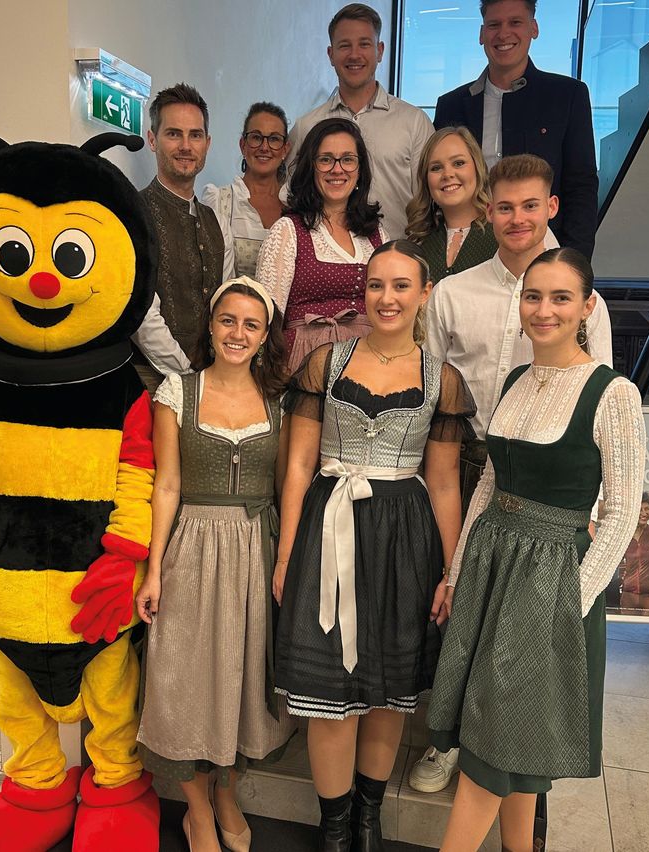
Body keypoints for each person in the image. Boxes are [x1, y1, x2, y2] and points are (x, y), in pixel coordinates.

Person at [426, 247, 645, 852]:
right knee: (508, 750)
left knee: (491, 752)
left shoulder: (614, 393)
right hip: (494, 563)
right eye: (532, 295)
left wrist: (567, 602)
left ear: (586, 307)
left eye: (560, 297)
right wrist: (461, 568)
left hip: (551, 579)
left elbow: (624, 511)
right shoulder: (519, 379)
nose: (543, 310)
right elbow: (492, 483)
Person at [410, 154, 612, 796]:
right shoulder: (453, 292)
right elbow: (432, 389)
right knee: (456, 606)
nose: (517, 218)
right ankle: (448, 738)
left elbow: (599, 413)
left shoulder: (587, 299)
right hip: (469, 463)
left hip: (549, 486)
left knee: (518, 634)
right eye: (505, 206)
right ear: (485, 209)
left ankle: (510, 746)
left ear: (551, 207)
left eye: (531, 205)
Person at [273, 240, 476, 852]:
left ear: (424, 293)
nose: (386, 298)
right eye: (375, 285)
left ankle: (367, 818)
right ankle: (334, 825)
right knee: (328, 692)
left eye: (400, 286)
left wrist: (450, 570)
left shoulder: (441, 379)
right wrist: (285, 554)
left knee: (389, 691)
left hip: (405, 537)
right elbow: (298, 464)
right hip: (328, 526)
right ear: (363, 293)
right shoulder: (324, 364)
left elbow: (443, 482)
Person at [136, 276, 295, 852]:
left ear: (265, 335)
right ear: (210, 325)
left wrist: (283, 561)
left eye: (251, 324)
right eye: (228, 320)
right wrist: (154, 568)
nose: (238, 333)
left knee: (242, 679)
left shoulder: (279, 402)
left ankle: (227, 792)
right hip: (193, 548)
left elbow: (284, 490)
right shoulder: (177, 392)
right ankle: (198, 809)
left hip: (255, 548)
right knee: (186, 680)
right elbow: (168, 485)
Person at [434, 0, 598, 259]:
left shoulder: (568, 96)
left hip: (542, 251)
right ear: (481, 34)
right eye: (494, 25)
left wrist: (575, 260)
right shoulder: (451, 106)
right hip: (467, 252)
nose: (503, 33)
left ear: (533, 28)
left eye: (515, 22)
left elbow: (581, 186)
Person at [286, 3, 434, 239]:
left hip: (398, 263)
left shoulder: (414, 122)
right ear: (331, 54)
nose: (354, 55)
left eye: (364, 44)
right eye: (344, 45)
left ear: (380, 51)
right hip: (326, 267)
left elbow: (429, 204)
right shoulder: (307, 126)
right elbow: (293, 197)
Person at [257, 117, 386, 372]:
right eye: (326, 159)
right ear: (311, 167)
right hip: (303, 367)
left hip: (367, 365)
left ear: (360, 169)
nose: (337, 169)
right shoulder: (288, 230)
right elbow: (266, 320)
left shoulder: (376, 233)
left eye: (348, 159)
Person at [132, 82, 234, 392]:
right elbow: (142, 313)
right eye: (174, 134)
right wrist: (190, 378)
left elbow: (226, 301)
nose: (186, 146)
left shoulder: (216, 220)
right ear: (153, 139)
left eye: (195, 135)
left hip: (212, 380)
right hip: (151, 381)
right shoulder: (134, 212)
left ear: (208, 143)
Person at [203, 102, 290, 278]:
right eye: (256, 137)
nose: (264, 147)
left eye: (274, 139)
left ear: (285, 150)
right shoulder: (220, 202)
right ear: (243, 145)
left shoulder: (297, 205)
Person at [405, 126, 497, 284]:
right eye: (436, 168)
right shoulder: (417, 242)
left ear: (478, 168)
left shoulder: (505, 230)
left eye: (458, 163)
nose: (447, 174)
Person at [619, 492, 649, 612]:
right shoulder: (624, 536)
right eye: (639, 509)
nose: (644, 513)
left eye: (647, 509)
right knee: (627, 631)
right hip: (628, 594)